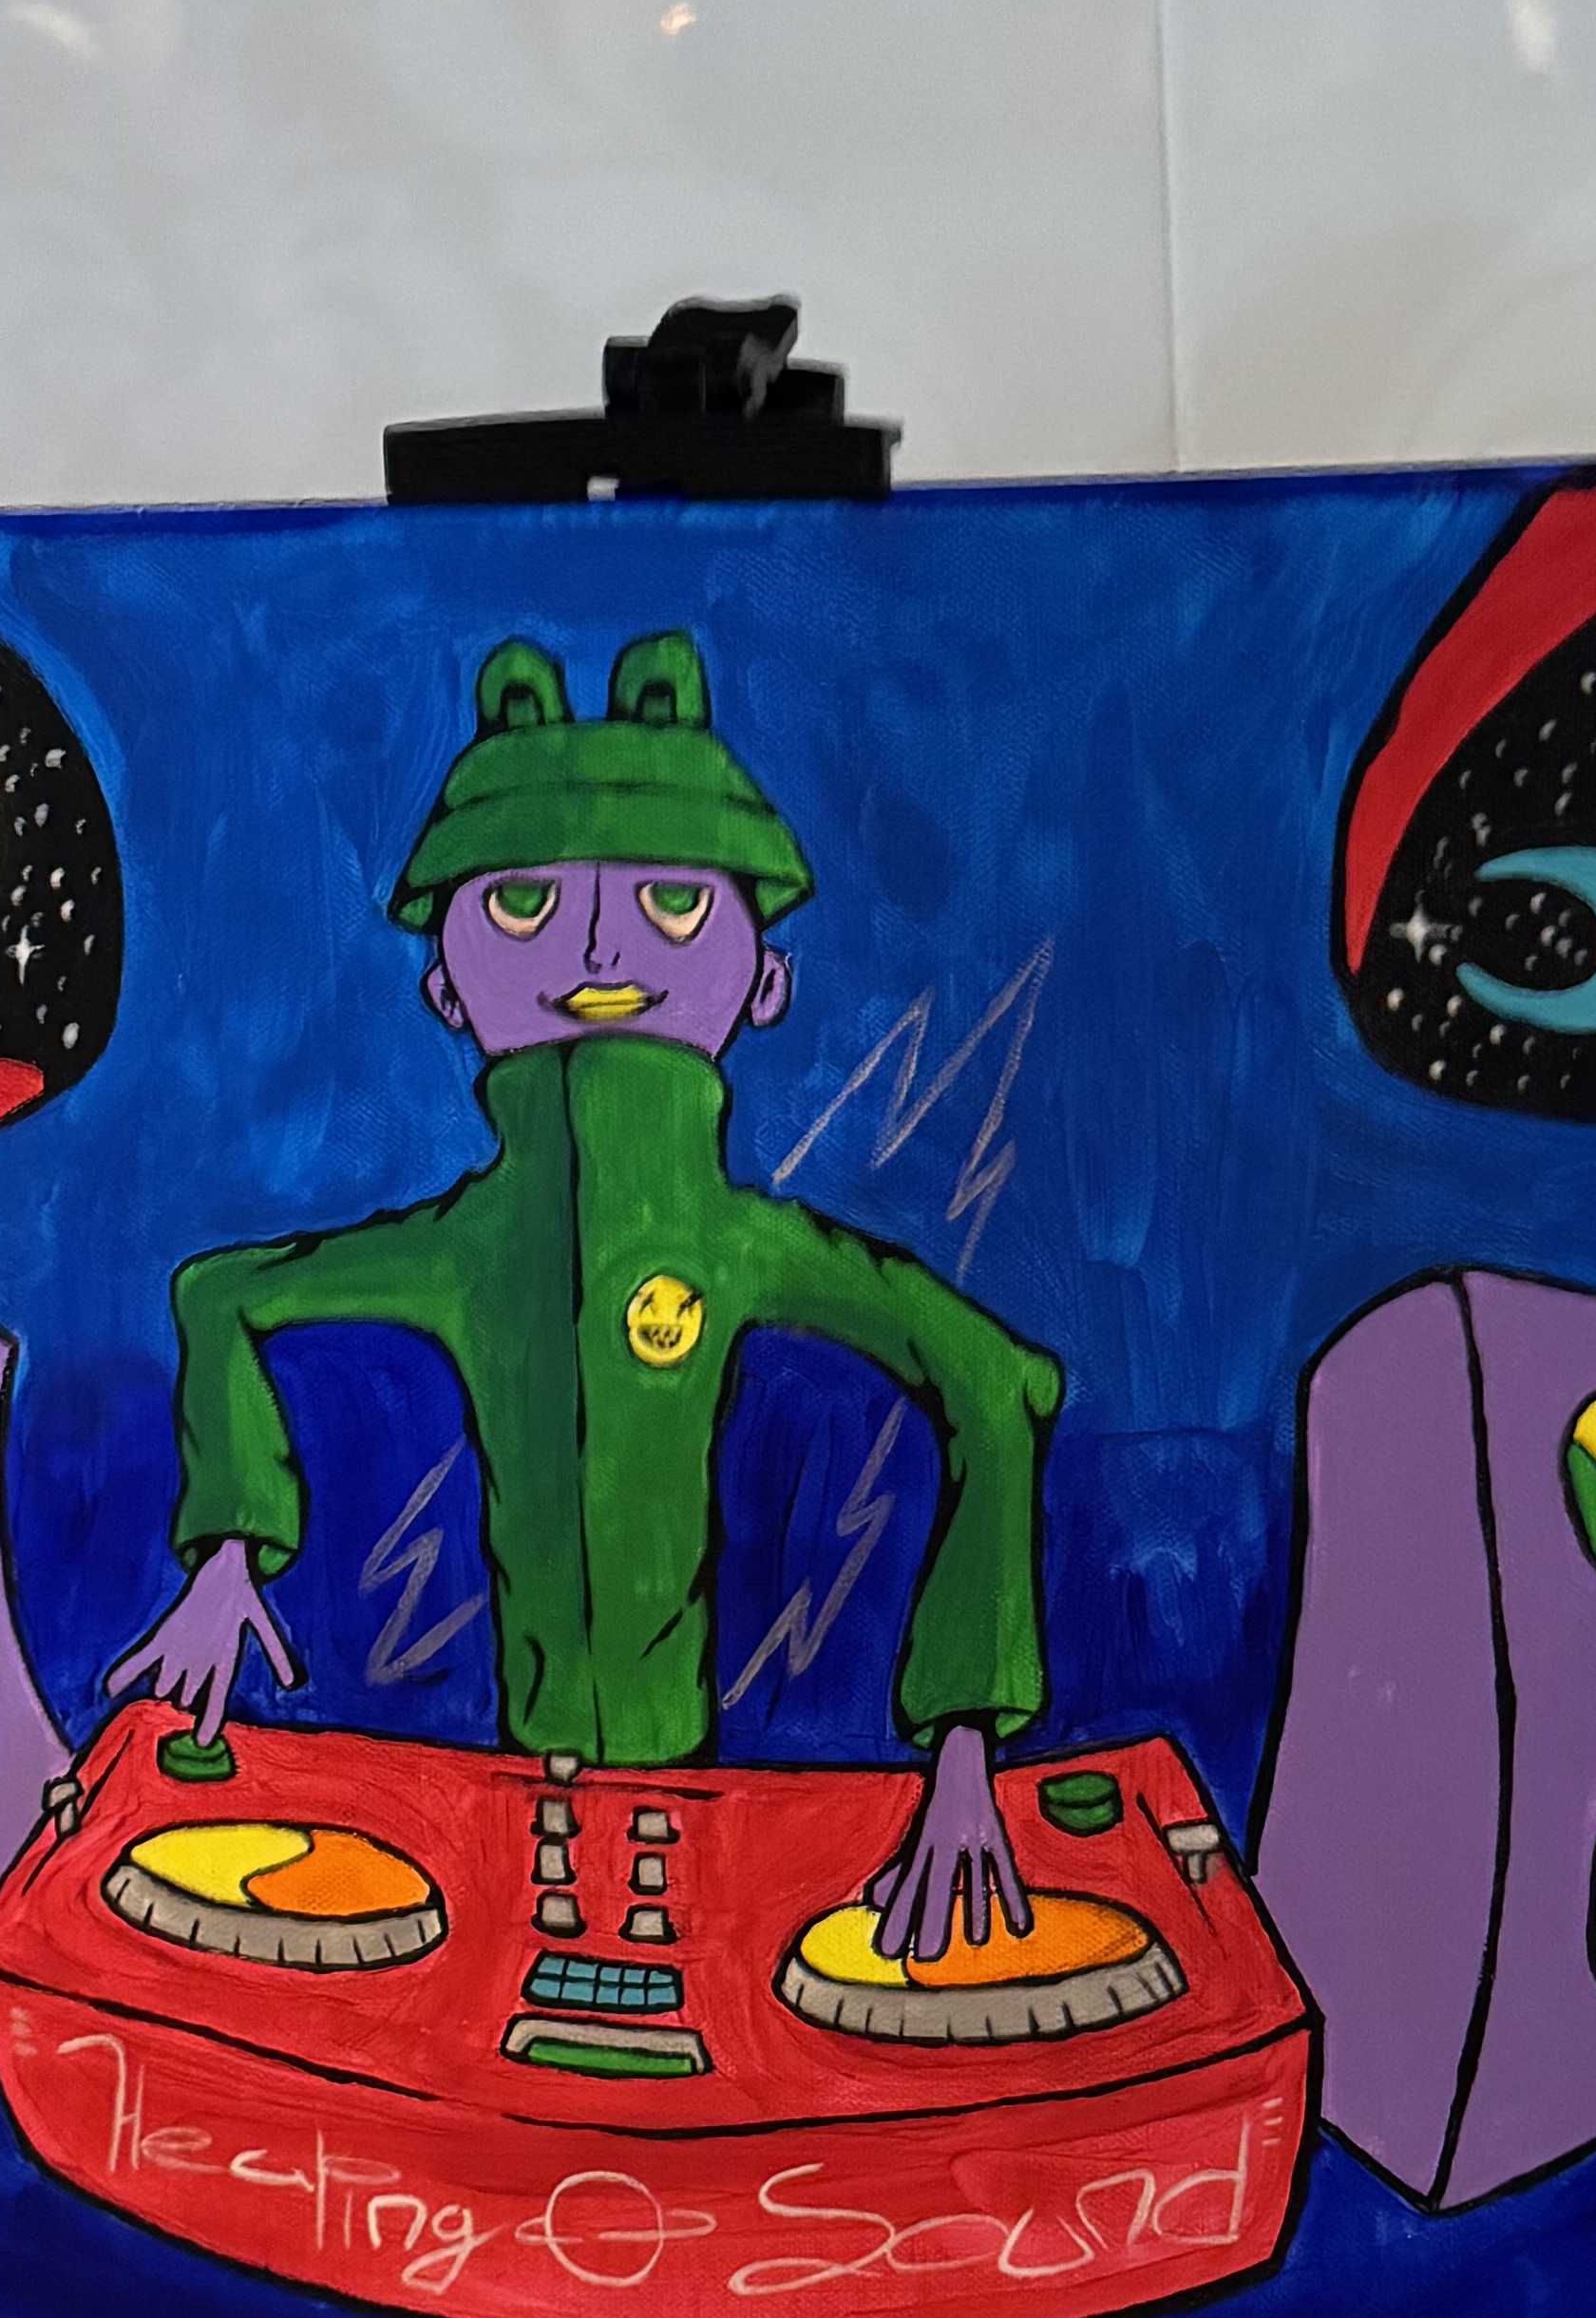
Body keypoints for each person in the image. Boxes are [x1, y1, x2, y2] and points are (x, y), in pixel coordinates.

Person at [104, 630, 1059, 1961]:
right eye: (520, 907)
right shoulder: (470, 1247)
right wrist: (226, 1553)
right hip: (525, 1807)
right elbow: (223, 1298)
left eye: (673, 905)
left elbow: (1000, 1382)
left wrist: (965, 1742)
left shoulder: (736, 1245)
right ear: (446, 989)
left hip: (684, 1808)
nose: (602, 942)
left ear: (765, 983)